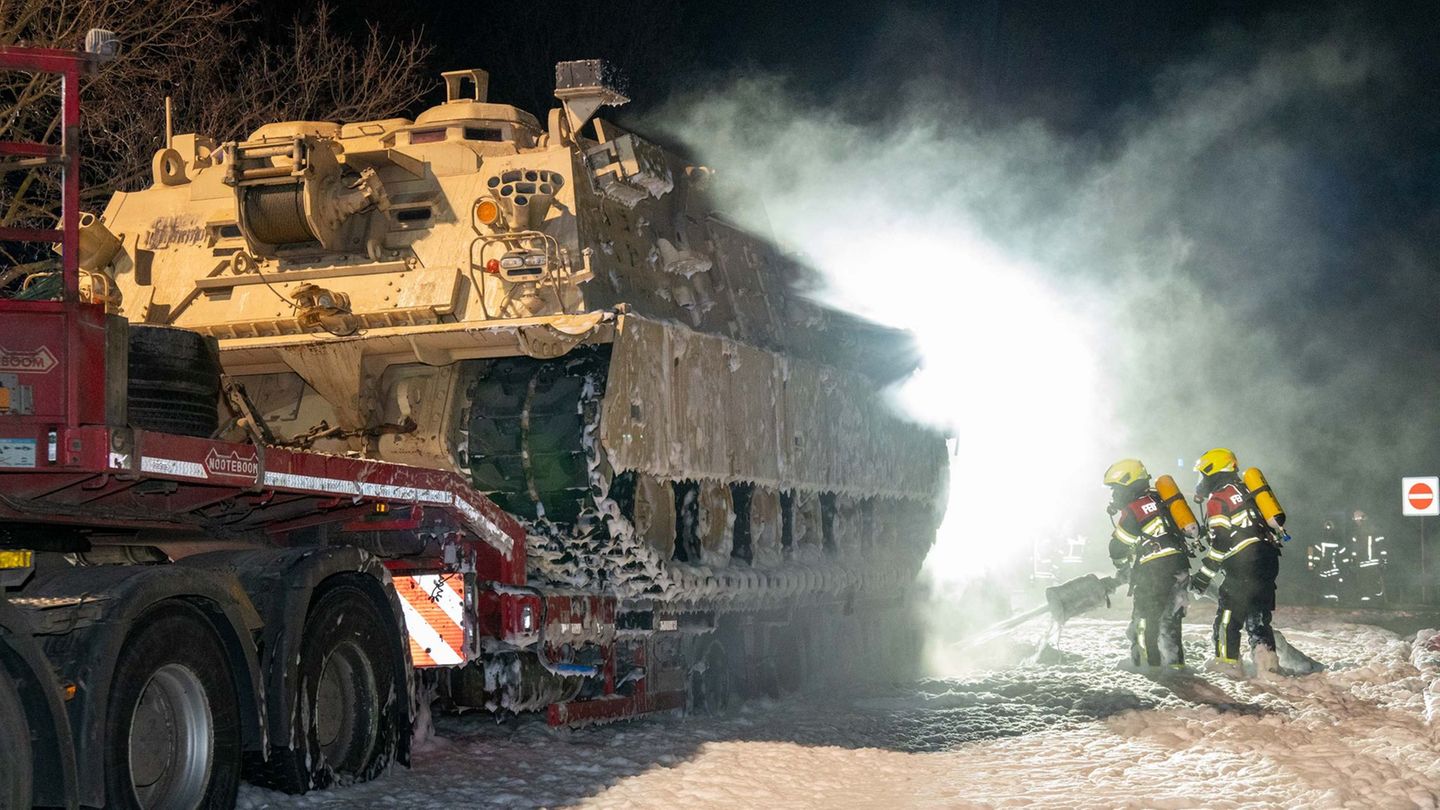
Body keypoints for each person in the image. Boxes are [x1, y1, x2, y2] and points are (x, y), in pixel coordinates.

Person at [1190, 447, 1282, 676]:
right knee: (1258, 617)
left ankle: (1227, 665)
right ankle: (1268, 667)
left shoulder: (1219, 498)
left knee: (1228, 618)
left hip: (1243, 564)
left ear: (1212, 472)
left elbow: (1221, 543)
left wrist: (1203, 576)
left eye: (1202, 474)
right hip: (1268, 559)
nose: (1201, 480)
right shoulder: (1246, 490)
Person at [1104, 458, 1191, 669]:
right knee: (1171, 621)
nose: (1114, 495)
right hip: (1180, 567)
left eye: (1116, 489)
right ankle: (1176, 668)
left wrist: (1122, 567)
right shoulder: (1161, 499)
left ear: (1128, 483)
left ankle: (1148, 667)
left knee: (1145, 620)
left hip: (1154, 570)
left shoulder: (1134, 508)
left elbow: (1117, 547)